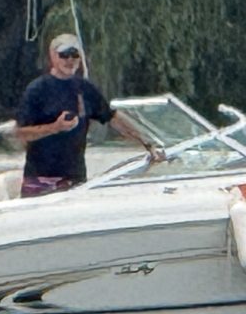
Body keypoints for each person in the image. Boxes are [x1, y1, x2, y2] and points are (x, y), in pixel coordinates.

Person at [15, 32, 164, 197]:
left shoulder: (85, 89)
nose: (70, 60)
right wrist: (55, 127)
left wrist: (147, 143)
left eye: (75, 55)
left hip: (75, 179)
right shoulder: (37, 90)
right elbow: (21, 133)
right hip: (40, 181)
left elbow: (112, 118)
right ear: (53, 56)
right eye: (64, 55)